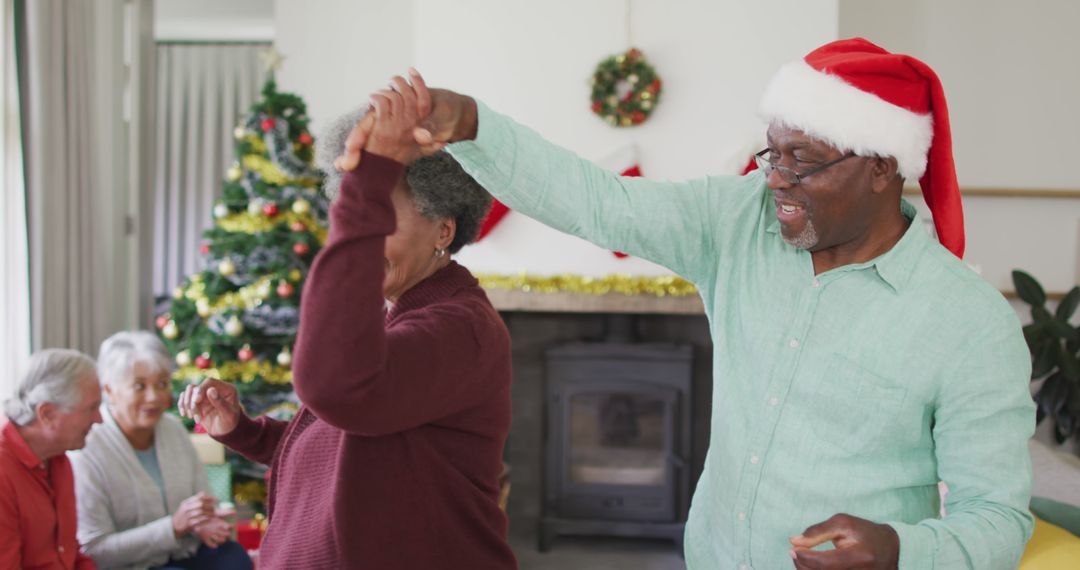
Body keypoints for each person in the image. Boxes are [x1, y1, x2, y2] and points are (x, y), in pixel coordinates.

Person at [337, 38, 1036, 569]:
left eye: (804, 160)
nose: (777, 181)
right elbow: (596, 201)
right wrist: (469, 123)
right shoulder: (737, 222)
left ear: (882, 167)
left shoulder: (969, 324)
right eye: (773, 153)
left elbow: (998, 516)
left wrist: (897, 549)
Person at [177, 102, 516, 569]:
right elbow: (342, 450)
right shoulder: (393, 316)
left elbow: (335, 388)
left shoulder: (460, 329)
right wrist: (244, 431)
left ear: (443, 228)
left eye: (380, 219)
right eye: (358, 218)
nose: (364, 242)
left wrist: (372, 175)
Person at [68, 331, 252, 570]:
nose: (154, 397)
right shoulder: (87, 447)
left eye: (162, 384)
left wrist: (206, 522)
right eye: (139, 386)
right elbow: (94, 550)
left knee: (233, 557)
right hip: (129, 565)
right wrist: (173, 527)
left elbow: (203, 504)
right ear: (110, 390)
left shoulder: (173, 429)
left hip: (182, 553)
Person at [0, 349, 102, 570]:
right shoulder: (3, 472)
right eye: (91, 408)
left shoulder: (58, 458)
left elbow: (70, 554)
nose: (100, 419)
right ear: (47, 413)